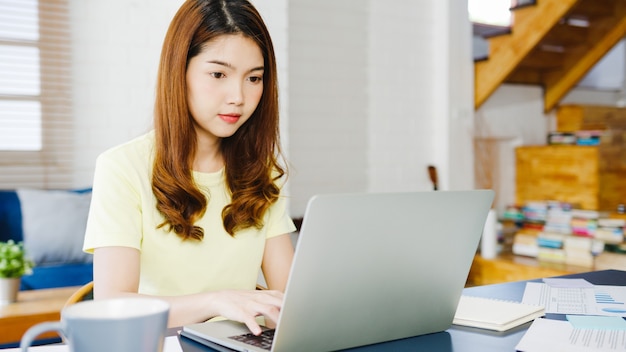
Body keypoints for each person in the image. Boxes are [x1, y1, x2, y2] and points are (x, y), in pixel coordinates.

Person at [83, 0, 296, 336]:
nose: (238, 96)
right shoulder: (123, 167)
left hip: (235, 344)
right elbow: (112, 304)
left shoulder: (261, 172)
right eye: (218, 74)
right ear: (178, 72)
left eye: (254, 78)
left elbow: (291, 301)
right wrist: (216, 301)